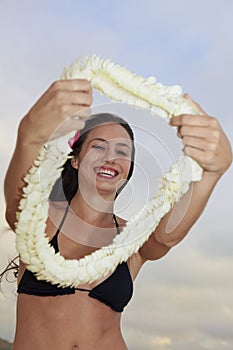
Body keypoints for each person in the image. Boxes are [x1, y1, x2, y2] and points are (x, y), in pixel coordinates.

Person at [2, 79, 232, 350]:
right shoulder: (41, 220)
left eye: (122, 151)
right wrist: (29, 136)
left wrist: (211, 173)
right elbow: (18, 203)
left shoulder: (131, 238)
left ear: (129, 168)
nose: (111, 157)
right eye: (99, 146)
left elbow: (166, 238)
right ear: (75, 159)